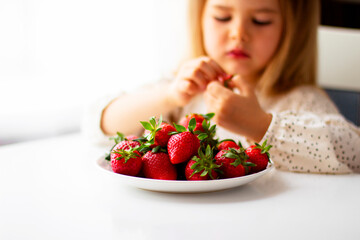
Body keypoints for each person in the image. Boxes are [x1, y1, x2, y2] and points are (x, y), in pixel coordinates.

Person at [83, 0, 360, 174]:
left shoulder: (297, 100)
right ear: (200, 18)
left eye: (261, 20)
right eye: (222, 17)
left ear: (291, 30)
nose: (238, 32)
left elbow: (354, 152)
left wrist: (261, 125)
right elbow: (97, 123)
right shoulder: (183, 92)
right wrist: (169, 95)